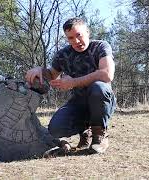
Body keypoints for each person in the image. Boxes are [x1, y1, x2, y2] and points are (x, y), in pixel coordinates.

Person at [25, 17, 116, 154]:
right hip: (78, 102)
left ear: (87, 32)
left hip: (101, 100)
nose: (76, 41)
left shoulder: (101, 46)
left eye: (79, 35)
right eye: (71, 38)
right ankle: (85, 131)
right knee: (55, 129)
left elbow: (107, 74)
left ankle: (99, 135)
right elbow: (52, 74)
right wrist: (40, 71)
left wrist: (73, 82)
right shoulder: (63, 54)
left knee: (99, 88)